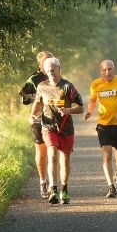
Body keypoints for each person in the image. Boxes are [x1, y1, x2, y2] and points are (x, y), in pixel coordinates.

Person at [29, 57, 84, 204]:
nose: (51, 73)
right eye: (48, 71)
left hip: (66, 128)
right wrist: (32, 115)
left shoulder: (68, 86)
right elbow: (37, 103)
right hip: (48, 127)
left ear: (59, 69)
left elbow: (80, 108)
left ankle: (64, 190)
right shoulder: (41, 86)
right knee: (52, 153)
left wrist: (68, 110)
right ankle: (53, 189)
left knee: (64, 159)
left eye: (53, 70)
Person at [84, 59, 117, 198]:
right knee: (106, 156)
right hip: (104, 126)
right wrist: (89, 111)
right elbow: (92, 101)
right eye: (105, 70)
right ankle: (111, 187)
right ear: (101, 71)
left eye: (110, 69)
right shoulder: (95, 84)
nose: (107, 72)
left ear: (114, 69)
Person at [19, 50, 54, 198]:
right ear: (40, 64)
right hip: (39, 120)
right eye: (46, 61)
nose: (49, 63)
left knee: (54, 153)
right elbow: (24, 98)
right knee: (42, 153)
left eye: (51, 60)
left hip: (54, 119)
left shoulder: (56, 75)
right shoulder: (33, 79)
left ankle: (54, 185)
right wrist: (39, 98)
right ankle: (43, 182)